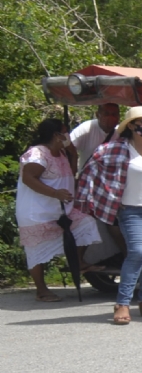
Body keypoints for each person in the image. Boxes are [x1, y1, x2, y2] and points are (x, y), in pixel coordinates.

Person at [74, 106, 142, 325]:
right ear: (130, 126)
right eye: (141, 122)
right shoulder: (114, 149)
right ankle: (122, 303)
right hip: (131, 210)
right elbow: (89, 169)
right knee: (138, 252)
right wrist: (97, 198)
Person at [15, 118, 100, 301]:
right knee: (35, 251)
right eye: (65, 131)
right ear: (56, 135)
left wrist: (73, 154)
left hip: (62, 210)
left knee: (86, 223)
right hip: (37, 212)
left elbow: (69, 172)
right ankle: (41, 290)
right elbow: (29, 179)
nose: (68, 135)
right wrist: (55, 193)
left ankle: (77, 261)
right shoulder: (37, 154)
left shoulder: (61, 152)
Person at [70, 101, 120, 170]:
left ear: (119, 117)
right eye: (106, 114)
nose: (110, 118)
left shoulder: (120, 133)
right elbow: (68, 149)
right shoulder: (86, 129)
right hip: (87, 178)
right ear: (97, 115)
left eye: (114, 114)